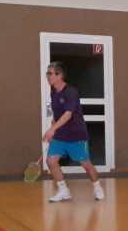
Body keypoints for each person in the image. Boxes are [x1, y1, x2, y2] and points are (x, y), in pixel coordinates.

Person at [42, 62, 103, 203]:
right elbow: (57, 114)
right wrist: (53, 126)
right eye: (47, 73)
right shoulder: (53, 92)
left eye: (51, 73)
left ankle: (97, 187)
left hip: (76, 135)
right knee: (51, 161)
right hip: (60, 135)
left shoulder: (71, 92)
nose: (48, 76)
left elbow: (68, 114)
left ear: (60, 75)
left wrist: (52, 130)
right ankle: (64, 191)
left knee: (86, 165)